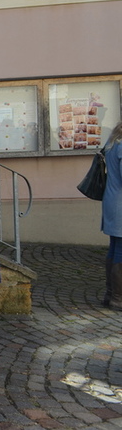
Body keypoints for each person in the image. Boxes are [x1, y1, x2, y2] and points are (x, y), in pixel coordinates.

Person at [101, 121, 122, 310]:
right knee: (120, 251)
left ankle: (110, 295)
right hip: (120, 204)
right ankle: (118, 298)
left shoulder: (112, 143)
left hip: (112, 200)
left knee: (114, 248)